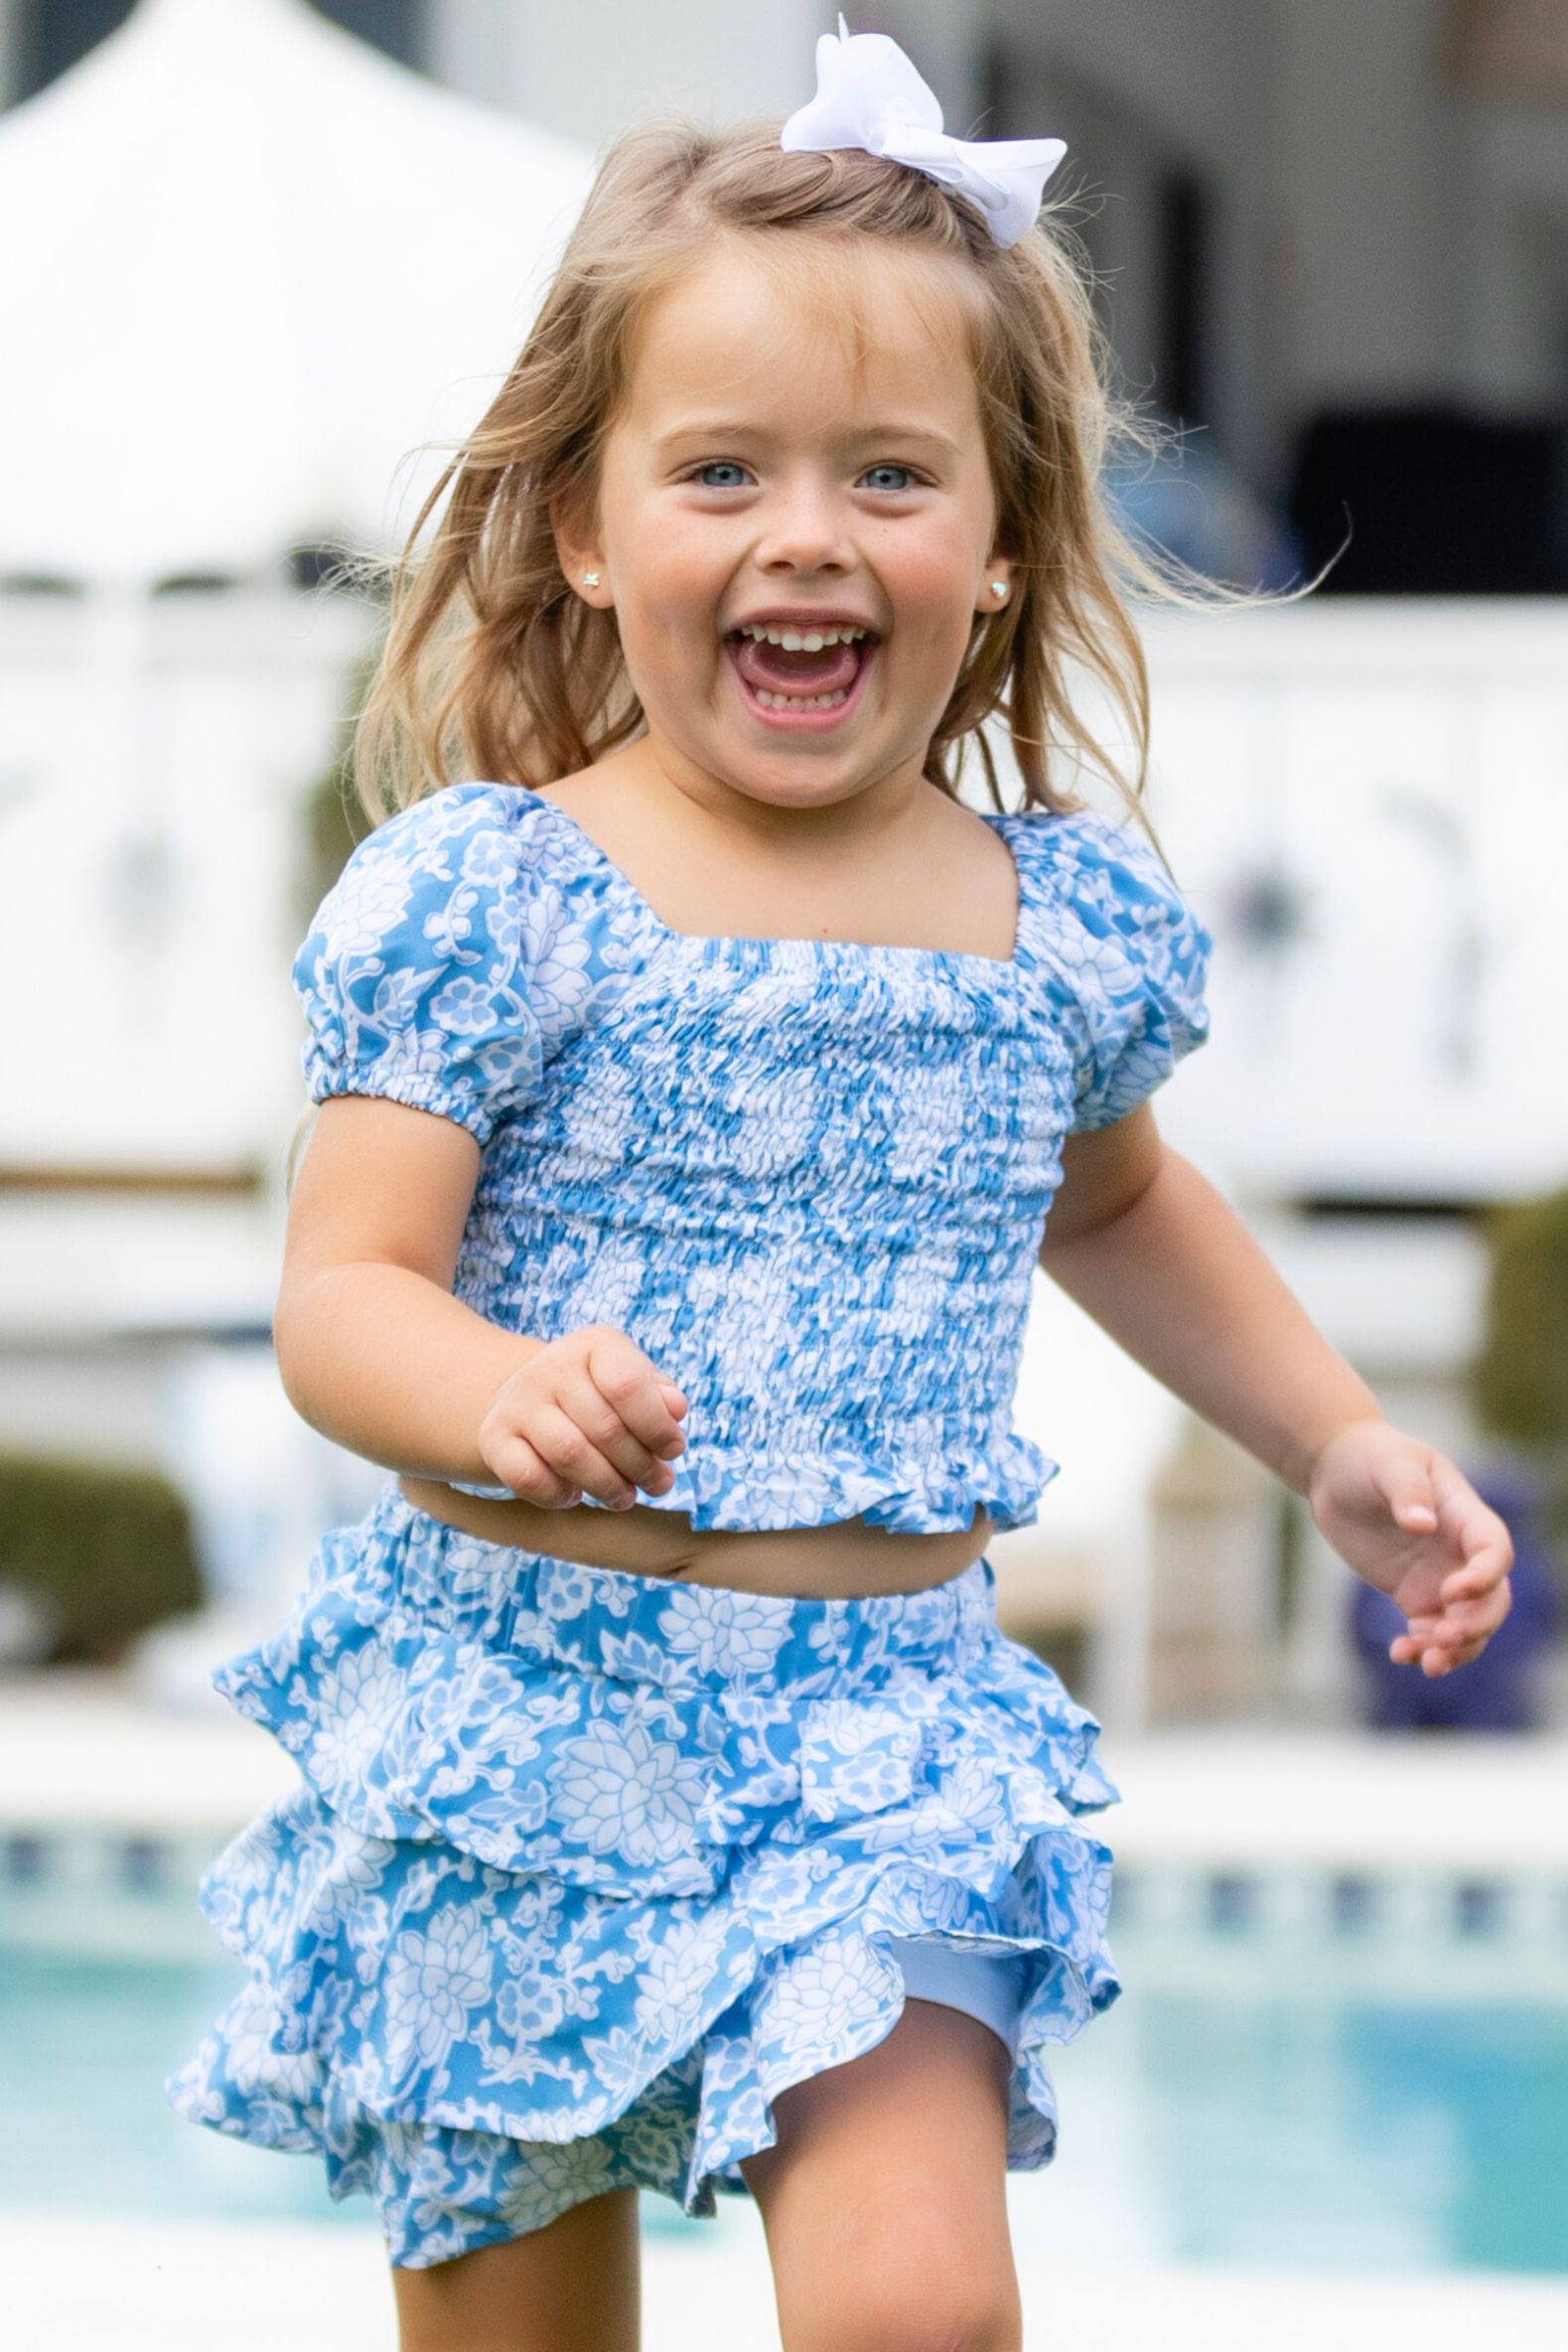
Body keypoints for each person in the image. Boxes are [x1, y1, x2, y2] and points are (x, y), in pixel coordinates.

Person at [168, 26, 1513, 2352]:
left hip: (875, 1734)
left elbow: (1118, 1204)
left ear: (993, 548)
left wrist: (1338, 1435)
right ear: (588, 526)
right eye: (722, 471)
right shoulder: (499, 894)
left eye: (891, 474)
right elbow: (341, 1291)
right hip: (516, 1728)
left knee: (917, 2306)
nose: (808, 533)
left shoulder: (1048, 921)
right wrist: (488, 1385)